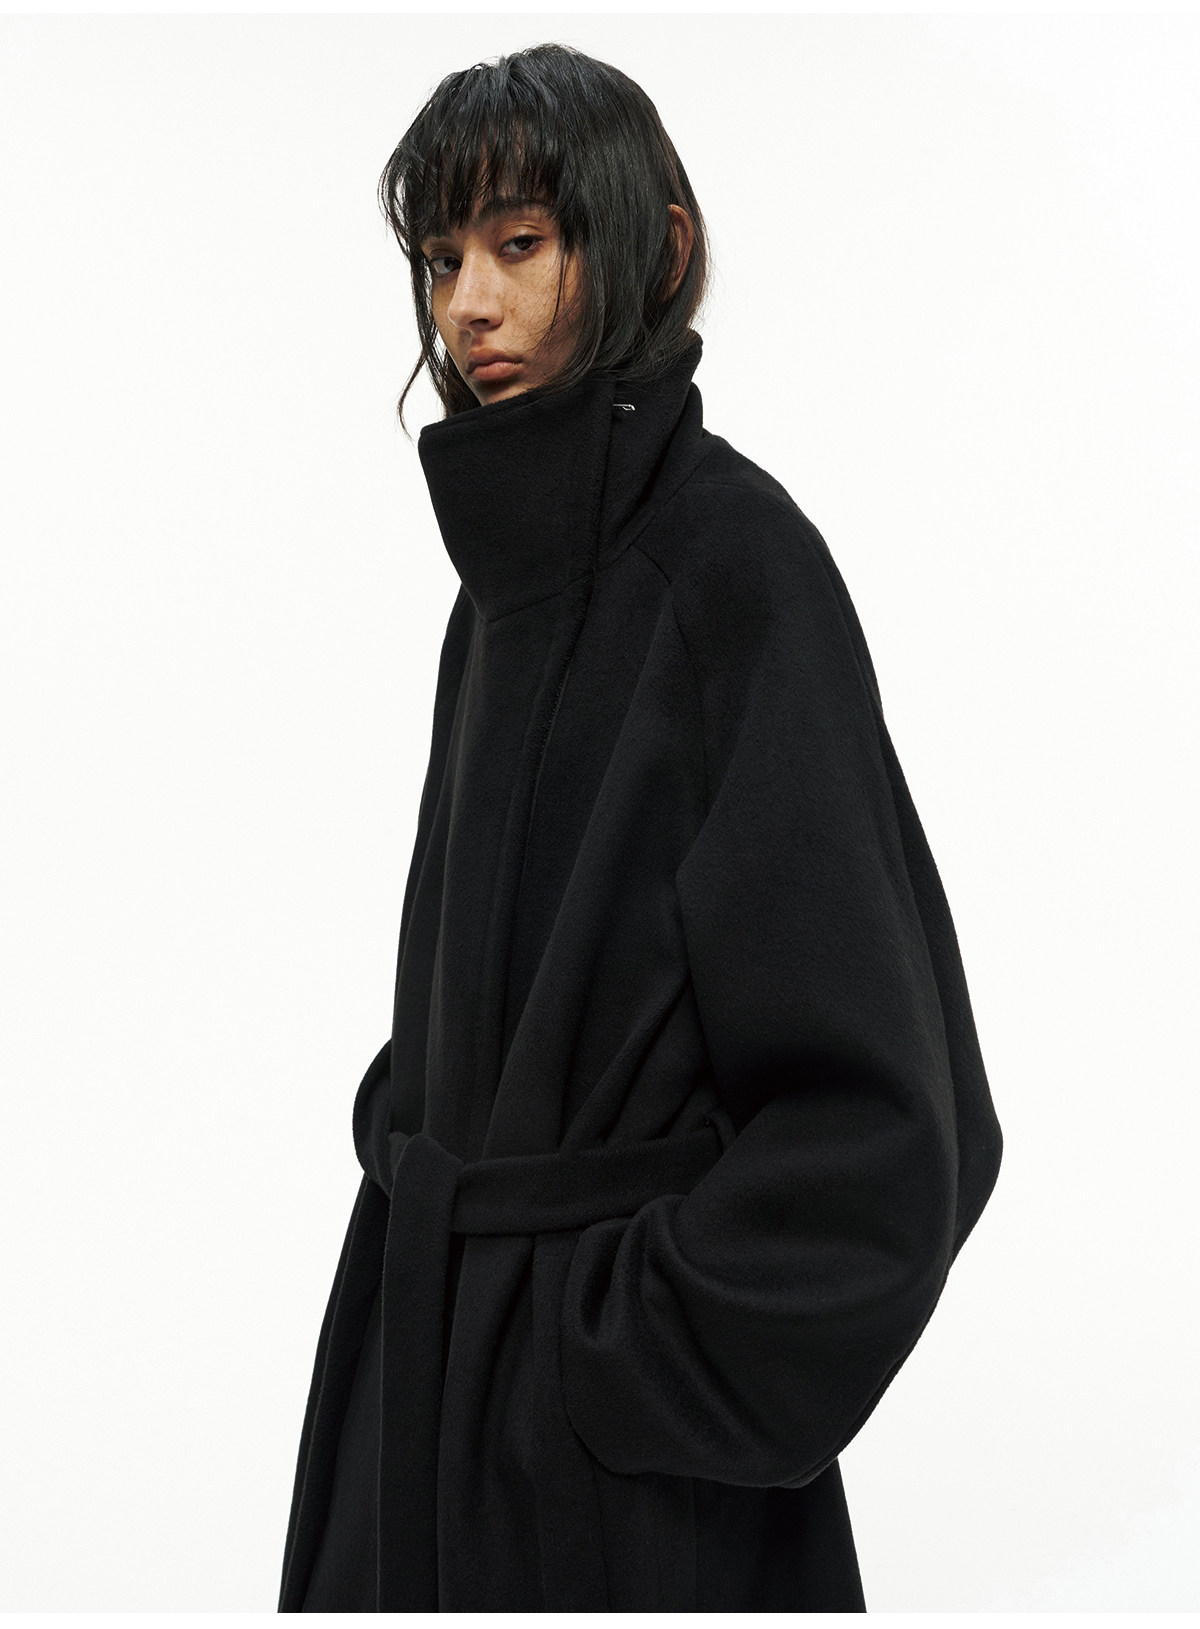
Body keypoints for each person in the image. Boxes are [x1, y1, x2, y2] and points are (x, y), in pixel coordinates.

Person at [277, 41, 1003, 1614]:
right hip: (418, 1397)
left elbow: (901, 1130)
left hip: (615, 1484)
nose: (469, 307)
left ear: (650, 251)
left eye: (520, 244)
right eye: (443, 259)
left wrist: (618, 1351)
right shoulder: (501, 590)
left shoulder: (735, 574)